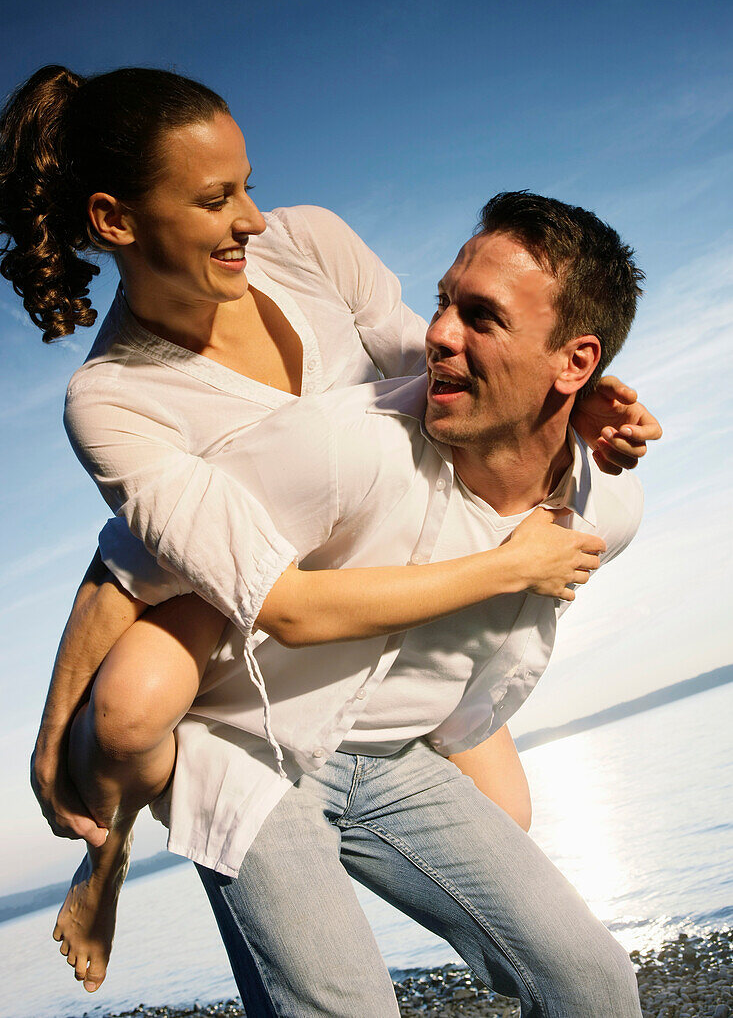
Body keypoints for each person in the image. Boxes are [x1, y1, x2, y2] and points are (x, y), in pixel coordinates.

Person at [0, 66, 657, 1007]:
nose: (255, 218)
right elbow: (145, 569)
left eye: (248, 183)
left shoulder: (306, 245)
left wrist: (561, 395)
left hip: (377, 626)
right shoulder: (114, 396)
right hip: (240, 636)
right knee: (137, 710)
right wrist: (50, 733)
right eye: (216, 197)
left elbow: (425, 357)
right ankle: (107, 855)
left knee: (531, 867)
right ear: (115, 221)